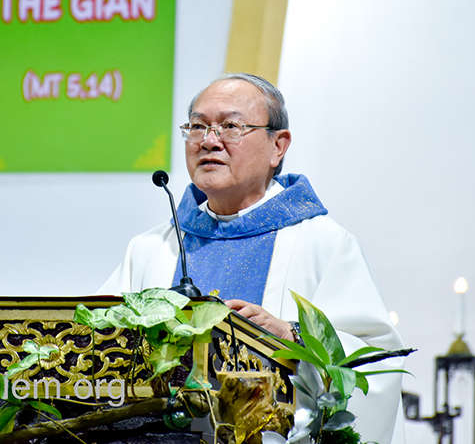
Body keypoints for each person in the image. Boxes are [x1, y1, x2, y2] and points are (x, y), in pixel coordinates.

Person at [99, 73, 405, 444]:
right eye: (197, 126)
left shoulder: (322, 243)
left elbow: (377, 364)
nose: (209, 140)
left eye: (231, 126)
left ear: (278, 145)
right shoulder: (152, 248)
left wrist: (291, 337)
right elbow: (96, 348)